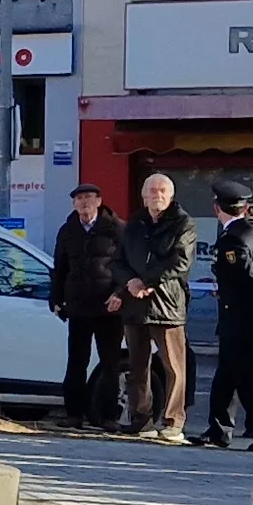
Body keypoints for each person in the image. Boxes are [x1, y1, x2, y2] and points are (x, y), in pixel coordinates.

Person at [201, 187, 253, 452]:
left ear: (217, 208)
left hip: (242, 321)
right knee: (225, 376)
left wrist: (238, 300)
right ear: (245, 208)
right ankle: (219, 429)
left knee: (250, 381)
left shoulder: (233, 238)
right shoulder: (252, 233)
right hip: (245, 320)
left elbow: (250, 280)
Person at [118, 172, 196, 445]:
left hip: (167, 305)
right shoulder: (134, 223)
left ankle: (173, 423)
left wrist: (148, 282)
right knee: (137, 366)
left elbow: (180, 262)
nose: (157, 195)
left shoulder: (183, 223)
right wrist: (130, 282)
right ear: (144, 195)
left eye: (162, 190)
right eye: (152, 190)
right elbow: (117, 260)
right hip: (135, 305)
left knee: (174, 367)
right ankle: (141, 419)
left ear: (171, 195)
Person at [48, 185, 131, 431]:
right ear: (74, 204)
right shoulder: (68, 231)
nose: (84, 203)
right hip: (78, 307)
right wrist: (56, 298)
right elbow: (60, 268)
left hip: (109, 308)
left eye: (88, 198)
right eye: (79, 199)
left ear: (99, 201)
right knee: (76, 362)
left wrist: (120, 293)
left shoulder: (117, 228)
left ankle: (108, 417)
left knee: (110, 364)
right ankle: (74, 415)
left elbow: (127, 266)